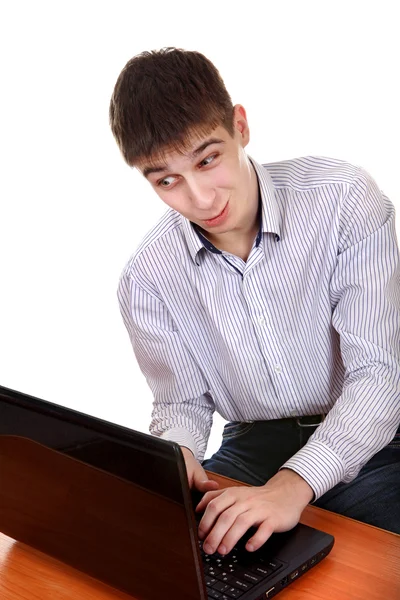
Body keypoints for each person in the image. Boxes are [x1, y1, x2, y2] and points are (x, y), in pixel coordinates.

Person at [109, 47, 400, 554]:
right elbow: (181, 402)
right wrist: (176, 455)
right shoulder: (146, 278)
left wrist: (293, 486)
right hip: (251, 448)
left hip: (377, 437)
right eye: (167, 180)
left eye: (208, 159)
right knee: (169, 556)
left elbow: (378, 375)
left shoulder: (344, 200)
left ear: (240, 126)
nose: (200, 198)